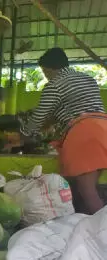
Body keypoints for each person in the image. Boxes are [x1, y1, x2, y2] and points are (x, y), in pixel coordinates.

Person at [20, 47, 107, 214]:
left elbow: (39, 116)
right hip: (103, 128)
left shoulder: (54, 84)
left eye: (45, 72)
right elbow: (72, 108)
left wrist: (22, 135)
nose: (46, 76)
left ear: (49, 69)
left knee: (87, 190)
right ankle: (92, 222)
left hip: (85, 133)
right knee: (92, 186)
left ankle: (102, 227)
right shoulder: (87, 79)